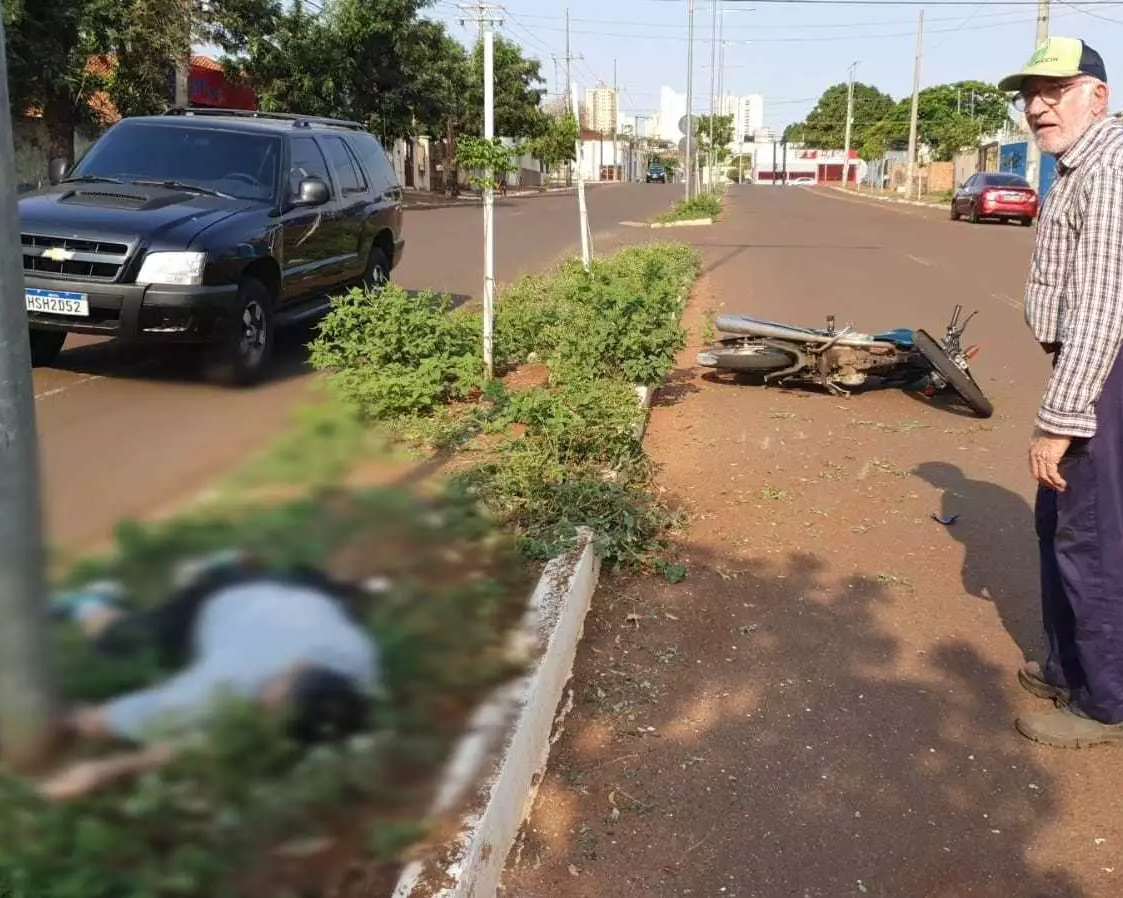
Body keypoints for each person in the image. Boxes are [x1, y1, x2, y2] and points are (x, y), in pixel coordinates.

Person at [998, 37, 1123, 748]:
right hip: (1085, 368)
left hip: (1099, 374)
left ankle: (1105, 704)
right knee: (1058, 523)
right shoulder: (1075, 164)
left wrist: (1060, 419)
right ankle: (1069, 666)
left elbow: (1104, 307)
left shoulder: (1107, 171)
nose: (1037, 106)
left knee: (1089, 536)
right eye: (1028, 94)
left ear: (1096, 97)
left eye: (1055, 89)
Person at [38, 552, 381, 800]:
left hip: (298, 586)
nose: (262, 706)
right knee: (124, 640)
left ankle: (221, 565)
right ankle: (89, 601)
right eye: (270, 704)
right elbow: (98, 722)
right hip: (215, 597)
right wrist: (78, 731)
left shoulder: (357, 662)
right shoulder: (229, 681)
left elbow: (202, 745)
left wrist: (107, 770)